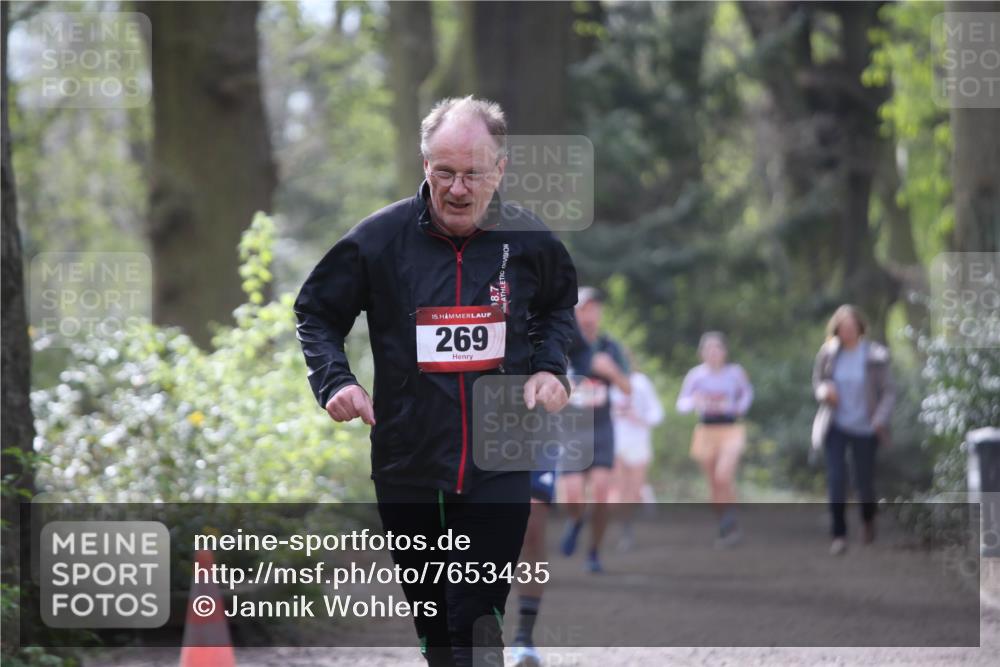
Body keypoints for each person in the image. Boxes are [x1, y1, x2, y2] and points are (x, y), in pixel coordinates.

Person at [294, 96, 578, 667]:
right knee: (435, 624)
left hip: (500, 454)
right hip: (408, 459)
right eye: (444, 171)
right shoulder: (379, 239)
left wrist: (550, 367)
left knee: (474, 618)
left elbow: (556, 309)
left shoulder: (530, 241)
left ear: (499, 170)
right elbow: (317, 311)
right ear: (424, 164)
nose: (457, 188)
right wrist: (334, 382)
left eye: (473, 173)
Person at [811, 305, 895, 556]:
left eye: (851, 327)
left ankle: (868, 519)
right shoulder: (828, 353)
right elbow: (817, 382)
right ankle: (839, 535)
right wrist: (824, 391)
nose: (846, 332)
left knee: (864, 482)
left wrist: (880, 418)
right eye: (842, 327)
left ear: (860, 328)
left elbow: (889, 391)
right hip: (835, 425)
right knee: (836, 479)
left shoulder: (874, 356)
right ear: (836, 329)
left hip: (867, 427)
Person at [558, 287, 631, 573]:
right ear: (574, 313)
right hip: (573, 429)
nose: (590, 314)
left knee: (601, 493)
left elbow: (628, 387)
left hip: (601, 428)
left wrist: (610, 371)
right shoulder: (560, 345)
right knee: (574, 495)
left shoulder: (610, 347)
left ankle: (594, 552)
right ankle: (575, 520)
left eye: (594, 308)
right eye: (584, 309)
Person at [676, 332, 753, 547]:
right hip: (706, 430)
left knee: (723, 475)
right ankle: (726, 525)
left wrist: (738, 407)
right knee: (714, 484)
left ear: (725, 351)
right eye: (708, 349)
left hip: (730, 428)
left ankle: (730, 518)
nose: (713, 353)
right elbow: (681, 404)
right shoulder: (696, 376)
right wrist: (695, 401)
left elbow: (747, 393)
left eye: (717, 348)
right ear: (701, 353)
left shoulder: (735, 373)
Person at [609, 350, 664, 550]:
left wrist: (640, 418)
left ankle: (629, 522)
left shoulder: (641, 383)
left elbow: (657, 413)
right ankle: (625, 531)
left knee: (632, 491)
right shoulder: (607, 386)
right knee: (618, 489)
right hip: (615, 445)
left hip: (639, 444)